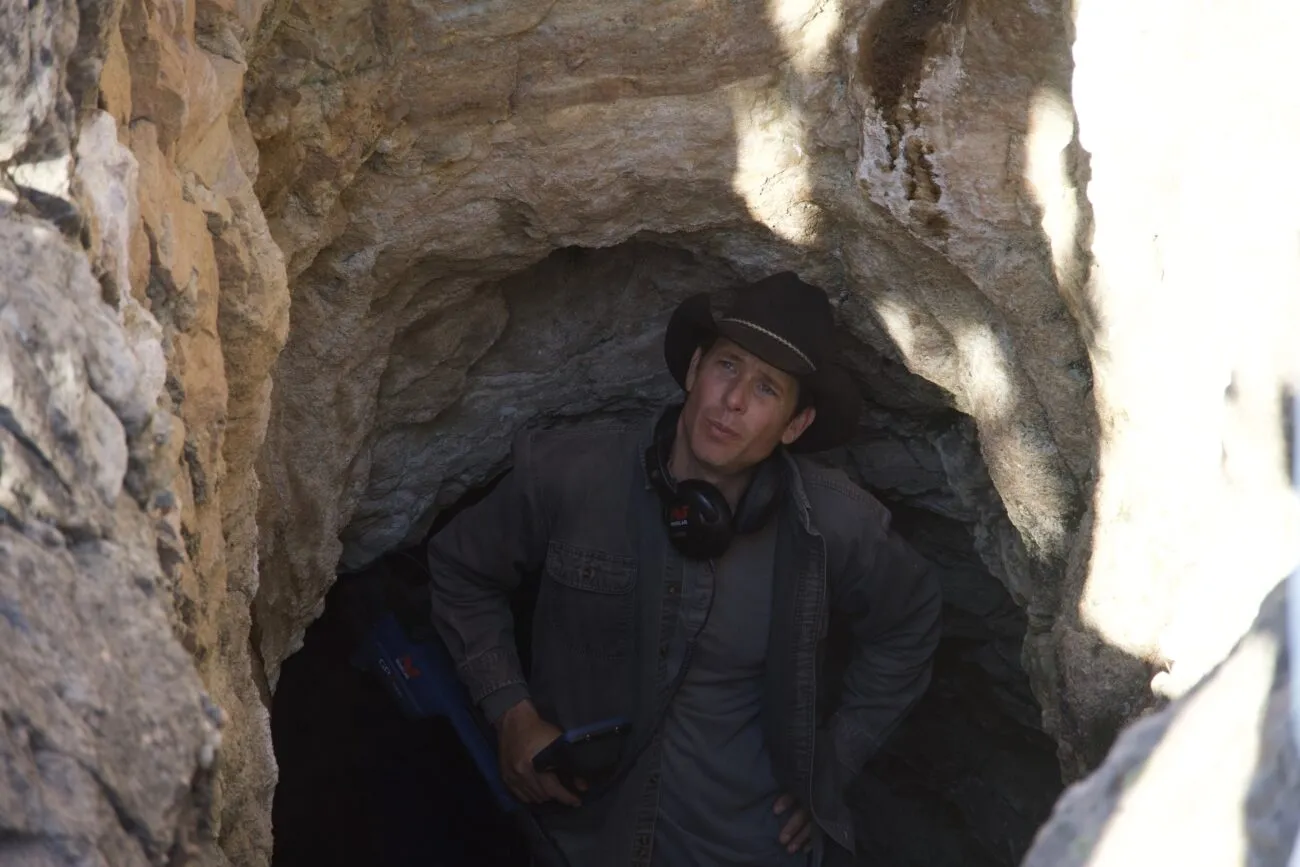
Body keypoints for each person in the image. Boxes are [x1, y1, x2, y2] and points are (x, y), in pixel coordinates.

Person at [427, 272, 943, 867]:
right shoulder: (572, 474)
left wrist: (830, 766)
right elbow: (461, 570)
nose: (734, 401)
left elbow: (910, 624)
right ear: (695, 368)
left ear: (795, 426)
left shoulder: (834, 526)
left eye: (768, 389)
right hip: (582, 835)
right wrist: (510, 712)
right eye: (728, 366)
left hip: (741, 843)